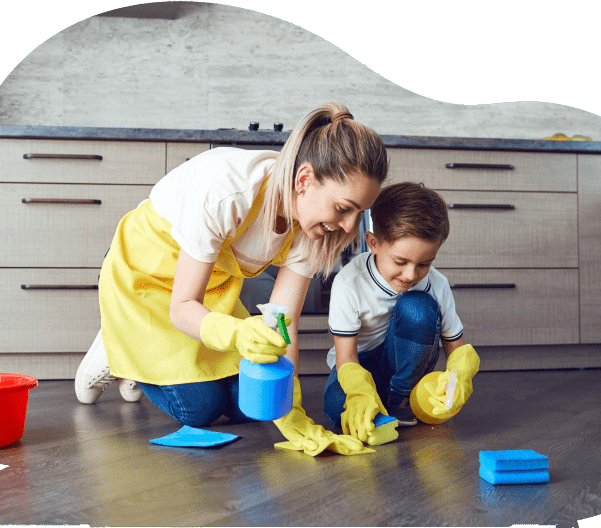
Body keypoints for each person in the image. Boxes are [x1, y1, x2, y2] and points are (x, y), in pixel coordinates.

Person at [74, 102, 389, 456]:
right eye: (344, 208)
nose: (349, 226)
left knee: (255, 405)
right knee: (199, 409)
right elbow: (181, 307)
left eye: (359, 213)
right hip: (146, 280)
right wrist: (239, 334)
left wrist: (290, 413)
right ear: (304, 180)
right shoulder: (228, 191)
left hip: (209, 288)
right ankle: (117, 343)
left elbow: (284, 322)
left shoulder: (314, 227)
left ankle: (140, 357)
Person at [323, 182, 480, 443]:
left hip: (408, 365)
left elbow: (455, 346)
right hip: (359, 364)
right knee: (338, 407)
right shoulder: (349, 282)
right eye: (400, 261)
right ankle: (378, 395)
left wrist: (460, 377)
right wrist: (359, 393)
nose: (411, 275)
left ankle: (402, 396)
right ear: (373, 243)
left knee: (418, 307)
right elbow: (346, 356)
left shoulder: (436, 284)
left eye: (424, 264)